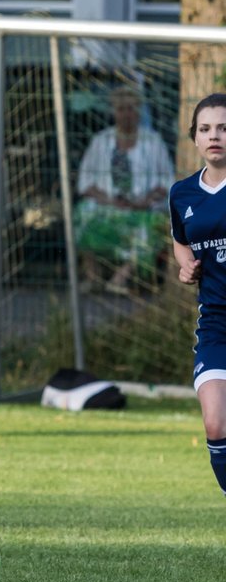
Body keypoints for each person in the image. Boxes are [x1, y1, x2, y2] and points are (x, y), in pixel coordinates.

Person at [169, 92, 226, 498]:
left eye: (224, 128)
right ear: (194, 137)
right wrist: (185, 264)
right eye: (205, 129)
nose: (215, 136)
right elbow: (180, 241)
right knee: (215, 424)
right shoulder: (182, 194)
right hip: (216, 325)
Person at [76, 87, 174, 293]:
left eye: (131, 108)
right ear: (114, 111)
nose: (126, 114)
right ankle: (93, 276)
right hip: (108, 206)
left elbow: (168, 180)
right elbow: (85, 181)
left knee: (156, 224)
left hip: (143, 208)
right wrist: (109, 200)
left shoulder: (153, 142)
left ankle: (121, 277)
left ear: (139, 111)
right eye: (121, 109)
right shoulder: (100, 141)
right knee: (81, 214)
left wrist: (145, 200)